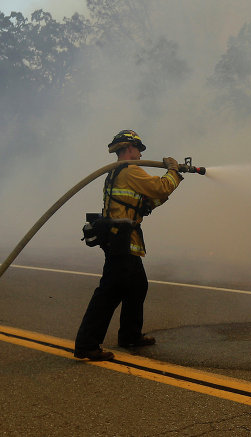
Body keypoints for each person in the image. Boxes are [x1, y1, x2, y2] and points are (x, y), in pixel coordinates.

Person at [74, 130, 184, 361]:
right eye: (138, 149)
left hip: (123, 239)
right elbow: (160, 188)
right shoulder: (130, 171)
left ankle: (131, 335)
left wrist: (172, 182)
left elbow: (149, 199)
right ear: (128, 148)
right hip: (121, 240)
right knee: (109, 293)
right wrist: (172, 171)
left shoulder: (116, 173)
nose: (140, 154)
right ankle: (87, 345)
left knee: (137, 287)